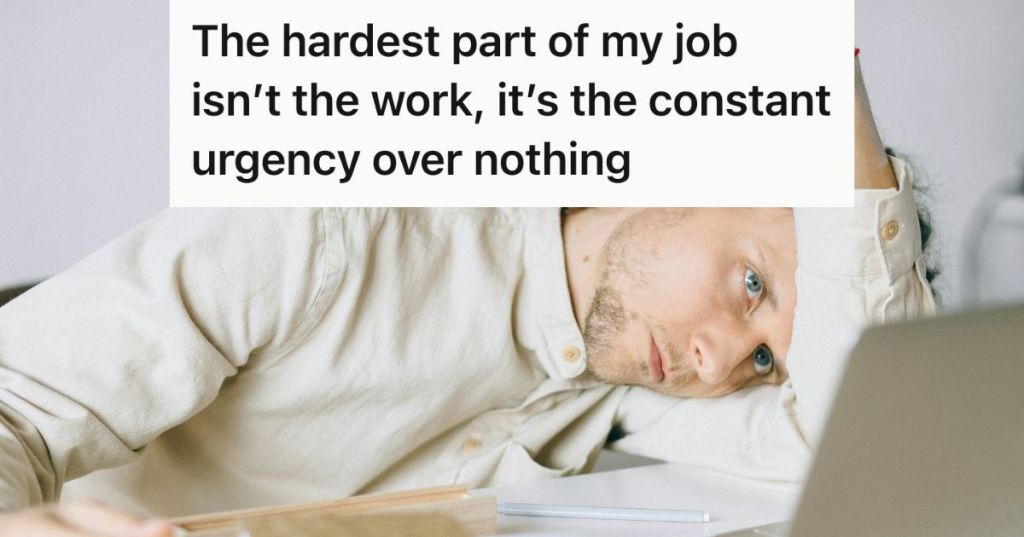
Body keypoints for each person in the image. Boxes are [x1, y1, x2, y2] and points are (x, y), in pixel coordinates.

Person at [0, 57, 934, 536]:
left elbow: (865, 457)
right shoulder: (333, 222)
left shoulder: (620, 390)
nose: (726, 360)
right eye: (751, 285)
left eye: (767, 352)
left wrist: (855, 184)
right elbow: (17, 407)